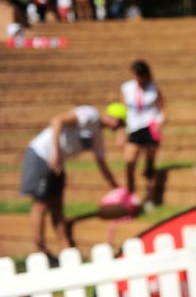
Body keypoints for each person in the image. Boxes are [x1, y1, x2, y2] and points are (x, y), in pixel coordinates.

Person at [20, 104, 126, 260]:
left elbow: (102, 164)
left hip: (57, 161)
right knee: (41, 204)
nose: (119, 128)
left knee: (57, 206)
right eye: (121, 124)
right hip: (41, 155)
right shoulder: (90, 115)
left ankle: (67, 249)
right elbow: (57, 120)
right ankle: (41, 250)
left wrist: (118, 189)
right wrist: (56, 152)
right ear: (115, 119)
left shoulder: (97, 135)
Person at [121, 60, 166, 210]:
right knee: (129, 161)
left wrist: (160, 125)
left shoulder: (154, 89)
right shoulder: (126, 88)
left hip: (150, 127)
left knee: (149, 165)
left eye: (140, 75)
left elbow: (163, 110)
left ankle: (149, 199)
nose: (138, 78)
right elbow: (123, 110)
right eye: (136, 75)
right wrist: (121, 131)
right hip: (134, 127)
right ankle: (130, 195)